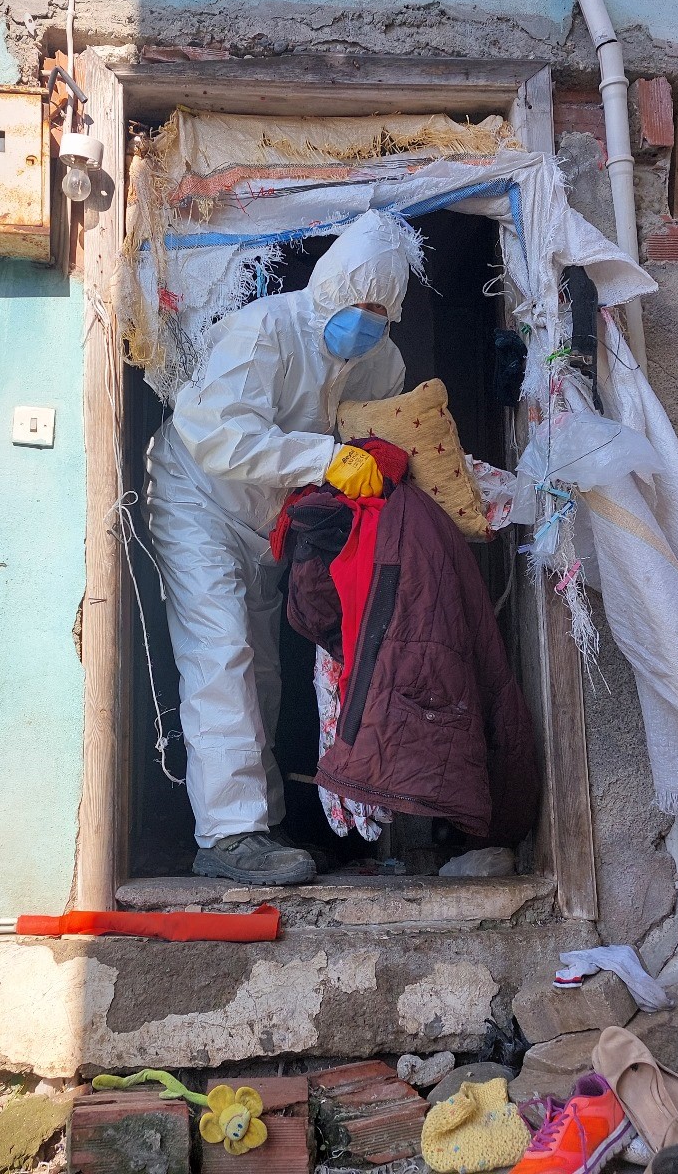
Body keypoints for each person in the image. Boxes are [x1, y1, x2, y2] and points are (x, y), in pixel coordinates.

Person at [146, 210, 422, 885]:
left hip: (269, 524)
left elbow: (370, 438)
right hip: (197, 503)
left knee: (261, 671)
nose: (362, 322)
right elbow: (217, 437)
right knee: (221, 655)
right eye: (353, 303)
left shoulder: (380, 359)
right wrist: (324, 458)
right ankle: (227, 833)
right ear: (326, 288)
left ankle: (260, 828)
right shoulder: (264, 329)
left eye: (378, 312)